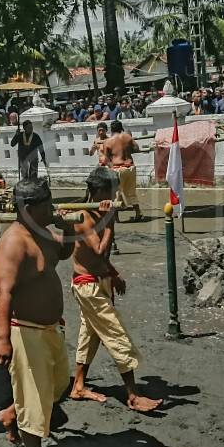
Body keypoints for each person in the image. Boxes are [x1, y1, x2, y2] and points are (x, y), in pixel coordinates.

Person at [0, 178, 74, 447]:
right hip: (22, 328)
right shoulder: (13, 243)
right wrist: (2, 338)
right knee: (35, 397)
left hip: (49, 328)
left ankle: (12, 415)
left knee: (60, 382)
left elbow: (62, 254)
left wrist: (69, 230)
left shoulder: (42, 233)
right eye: (46, 204)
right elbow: (4, 292)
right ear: (27, 208)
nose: (52, 208)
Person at [68, 167, 163, 412]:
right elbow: (99, 249)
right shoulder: (82, 217)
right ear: (99, 191)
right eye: (111, 190)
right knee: (115, 333)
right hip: (87, 285)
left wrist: (113, 273)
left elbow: (100, 258)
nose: (115, 194)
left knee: (89, 335)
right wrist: (110, 220)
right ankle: (132, 394)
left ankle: (78, 385)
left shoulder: (98, 215)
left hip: (99, 280)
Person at [99, 120, 142, 221]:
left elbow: (106, 159)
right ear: (121, 128)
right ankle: (138, 213)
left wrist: (111, 168)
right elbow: (136, 148)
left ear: (111, 130)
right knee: (131, 193)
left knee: (116, 194)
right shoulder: (127, 137)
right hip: (130, 167)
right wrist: (127, 149)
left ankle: (116, 218)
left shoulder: (108, 142)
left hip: (118, 168)